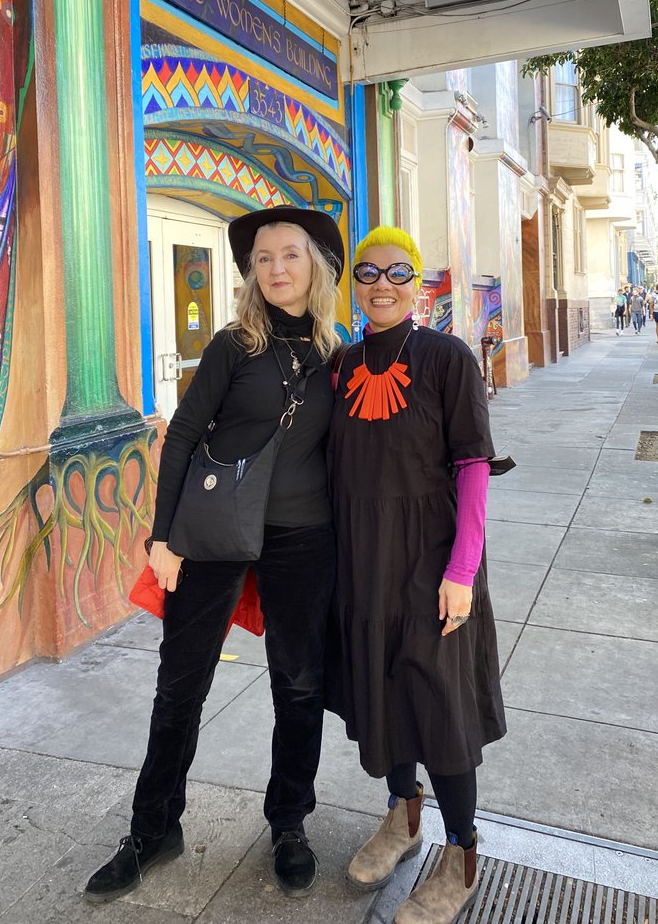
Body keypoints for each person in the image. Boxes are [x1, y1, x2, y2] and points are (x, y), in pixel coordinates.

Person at [84, 205, 344, 904]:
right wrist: (161, 539)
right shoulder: (235, 345)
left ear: (315, 266)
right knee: (181, 687)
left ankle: (289, 823)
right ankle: (152, 828)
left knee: (298, 687)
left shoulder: (334, 353)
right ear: (250, 272)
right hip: (214, 535)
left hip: (303, 538)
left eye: (290, 255)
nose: (277, 268)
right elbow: (181, 437)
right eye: (263, 259)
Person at [328, 226, 505, 924]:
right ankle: (403, 822)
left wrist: (462, 568)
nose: (382, 283)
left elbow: (472, 467)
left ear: (417, 283)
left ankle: (461, 855)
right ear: (353, 284)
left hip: (434, 564)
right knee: (381, 694)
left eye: (398, 271)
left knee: (441, 710)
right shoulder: (339, 367)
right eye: (367, 272)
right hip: (361, 562)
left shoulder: (447, 358)